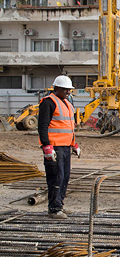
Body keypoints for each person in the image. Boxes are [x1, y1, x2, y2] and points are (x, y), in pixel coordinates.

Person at [38, 75, 80, 219]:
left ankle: (59, 204)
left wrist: (74, 144)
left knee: (65, 177)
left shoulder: (67, 104)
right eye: (65, 90)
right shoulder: (48, 103)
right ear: (56, 88)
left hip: (65, 147)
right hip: (54, 147)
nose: (68, 92)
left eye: (69, 90)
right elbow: (42, 126)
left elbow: (69, 127)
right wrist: (46, 146)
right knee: (56, 176)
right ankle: (54, 209)